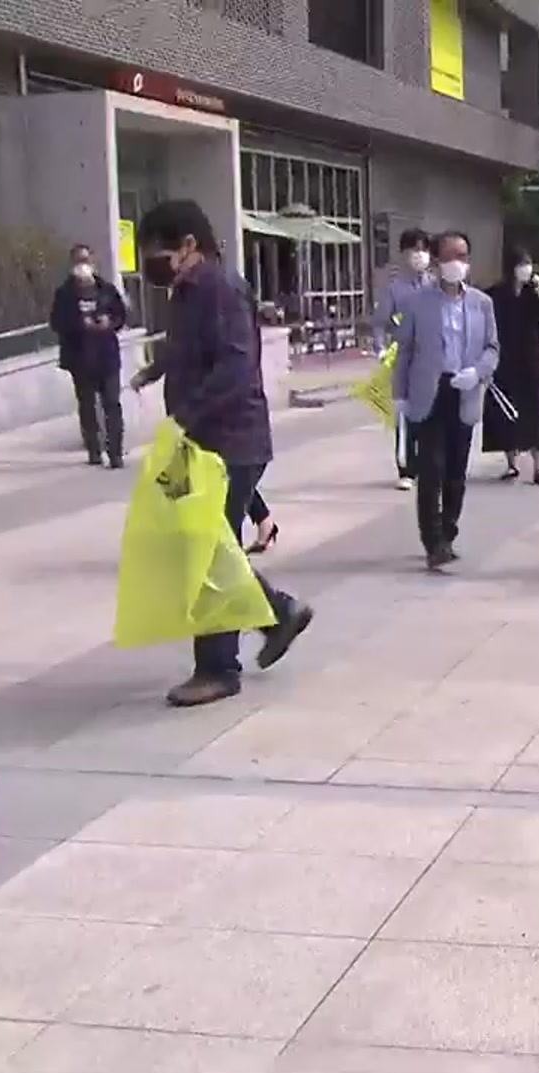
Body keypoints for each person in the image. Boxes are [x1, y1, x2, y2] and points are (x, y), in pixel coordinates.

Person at [133, 200, 313, 707]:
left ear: (189, 246)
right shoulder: (189, 291)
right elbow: (188, 347)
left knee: (207, 552)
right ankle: (277, 613)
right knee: (206, 546)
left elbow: (236, 365)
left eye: (158, 253)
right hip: (205, 441)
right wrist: (157, 369)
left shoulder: (221, 288)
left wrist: (188, 416)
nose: (153, 265)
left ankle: (219, 668)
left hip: (230, 440)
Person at [392, 229, 498, 571]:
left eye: (463, 256)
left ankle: (448, 532)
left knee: (456, 472)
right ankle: (432, 540)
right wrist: (399, 395)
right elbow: (405, 350)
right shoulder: (418, 303)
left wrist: (479, 372)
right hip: (429, 393)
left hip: (463, 392)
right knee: (431, 469)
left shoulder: (481, 303)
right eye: (451, 256)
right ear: (437, 262)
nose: (458, 263)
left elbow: (493, 349)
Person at [482, 245, 539, 485]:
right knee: (504, 410)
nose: (526, 269)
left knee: (534, 411)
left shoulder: (533, 293)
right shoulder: (495, 294)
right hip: (504, 359)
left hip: (531, 359)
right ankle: (511, 463)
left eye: (528, 263)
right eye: (521, 264)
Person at [49, 244, 129, 469]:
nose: (82, 265)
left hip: (107, 357)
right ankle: (94, 450)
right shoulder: (65, 294)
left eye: (86, 260)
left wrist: (110, 323)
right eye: (78, 261)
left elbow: (121, 315)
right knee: (87, 406)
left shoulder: (106, 289)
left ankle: (115, 453)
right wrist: (78, 324)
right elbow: (56, 322)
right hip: (80, 358)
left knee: (112, 404)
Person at [372, 228, 435, 491]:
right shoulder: (395, 290)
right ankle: (407, 468)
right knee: (406, 416)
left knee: (431, 414)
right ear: (405, 253)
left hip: (432, 360)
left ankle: (430, 464)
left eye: (424, 249)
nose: (420, 255)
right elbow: (379, 323)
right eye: (415, 250)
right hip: (404, 361)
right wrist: (381, 349)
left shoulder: (436, 285)